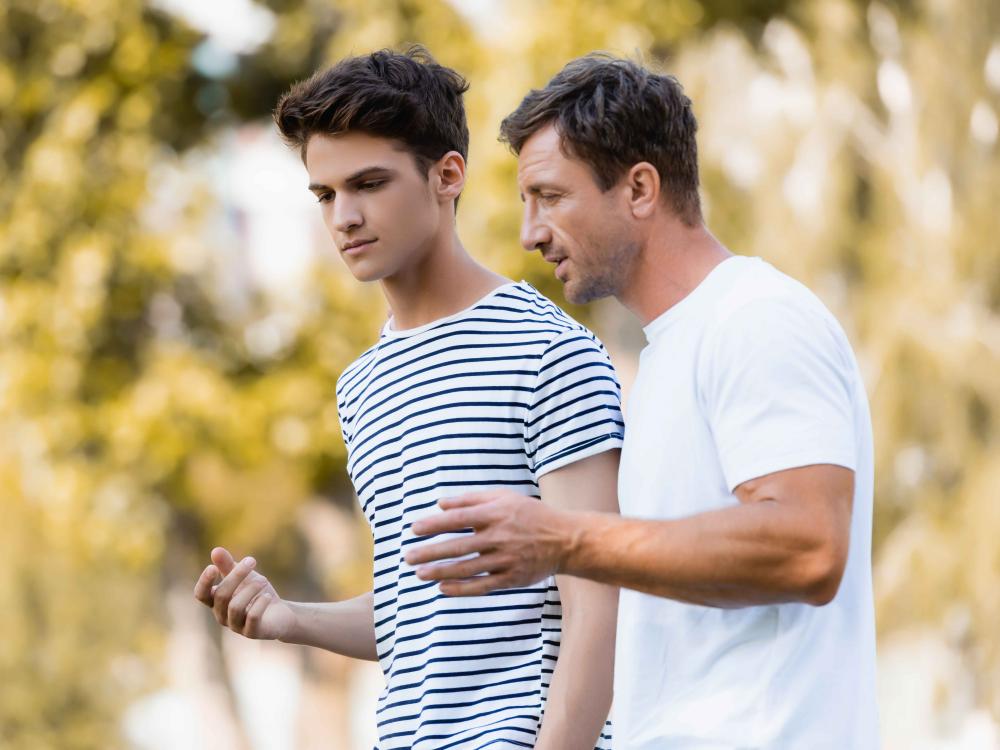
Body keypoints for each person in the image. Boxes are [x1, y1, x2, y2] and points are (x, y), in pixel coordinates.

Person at [405, 54, 879, 749]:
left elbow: (809, 545)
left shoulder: (757, 318)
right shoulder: (665, 359)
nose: (530, 233)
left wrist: (564, 539)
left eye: (550, 196)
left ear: (639, 189)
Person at [192, 47, 624, 750]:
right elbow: (415, 614)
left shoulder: (548, 350)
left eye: (369, 183)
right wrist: (289, 618)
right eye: (326, 194)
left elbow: (599, 604)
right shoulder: (362, 385)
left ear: (447, 176)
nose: (345, 217)